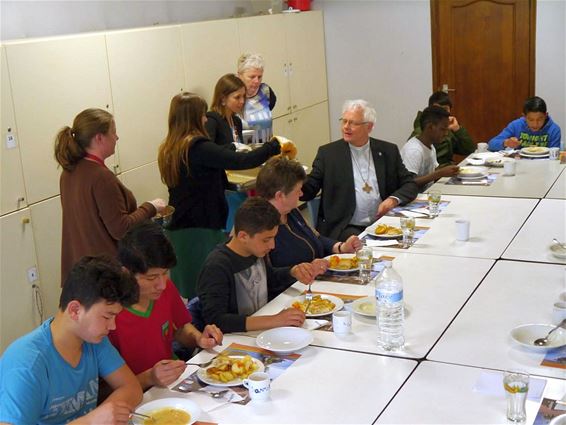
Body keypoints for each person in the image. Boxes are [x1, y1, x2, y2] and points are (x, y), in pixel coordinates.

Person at [157, 92, 281, 300]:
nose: (206, 119)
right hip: (200, 227)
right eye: (202, 115)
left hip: (180, 226)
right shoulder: (196, 146)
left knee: (190, 288)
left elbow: (214, 155)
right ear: (194, 117)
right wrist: (272, 146)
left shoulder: (171, 146)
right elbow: (242, 161)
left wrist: (229, 147)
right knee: (208, 286)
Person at [0, 256, 142, 425]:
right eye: (107, 316)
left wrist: (101, 417)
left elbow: (132, 388)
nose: (113, 326)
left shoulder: (93, 340)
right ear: (75, 310)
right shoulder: (27, 365)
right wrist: (90, 422)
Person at [54, 108, 166, 284]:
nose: (117, 137)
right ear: (99, 138)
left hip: (83, 271)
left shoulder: (68, 173)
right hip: (106, 272)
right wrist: (151, 207)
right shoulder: (101, 177)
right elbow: (121, 228)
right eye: (113, 132)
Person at [109, 221, 223, 390]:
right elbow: (108, 389)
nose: (161, 284)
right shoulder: (109, 315)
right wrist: (150, 378)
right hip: (139, 394)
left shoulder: (166, 288)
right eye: (151, 278)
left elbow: (179, 329)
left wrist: (199, 338)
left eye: (165, 273)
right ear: (126, 273)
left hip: (174, 381)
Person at [197, 197, 324, 333]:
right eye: (266, 240)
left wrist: (293, 272)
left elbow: (268, 279)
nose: (272, 245)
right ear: (243, 236)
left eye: (274, 237)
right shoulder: (217, 266)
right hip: (235, 338)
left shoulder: (254, 250)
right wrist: (275, 320)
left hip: (263, 327)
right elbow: (216, 321)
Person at [301, 99, 419, 241]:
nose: (346, 127)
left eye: (353, 123)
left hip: (383, 223)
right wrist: (293, 176)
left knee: (411, 238)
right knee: (364, 248)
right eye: (344, 121)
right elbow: (309, 189)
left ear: (369, 127)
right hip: (345, 227)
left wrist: (393, 200)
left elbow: (410, 184)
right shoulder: (328, 154)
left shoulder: (388, 151)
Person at [256, 156, 362, 268]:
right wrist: (302, 271)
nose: (301, 194)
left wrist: (341, 247)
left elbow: (315, 237)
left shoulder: (291, 212)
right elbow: (271, 278)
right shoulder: (260, 227)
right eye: (298, 190)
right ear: (280, 196)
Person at [409, 91, 475, 168]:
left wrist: (457, 129)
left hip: (445, 170)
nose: (441, 113)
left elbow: (469, 150)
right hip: (436, 174)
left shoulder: (449, 127)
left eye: (445, 109)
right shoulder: (423, 131)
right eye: (437, 109)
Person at [401, 106, 460, 190]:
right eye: (443, 129)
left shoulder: (430, 145)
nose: (446, 133)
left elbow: (433, 172)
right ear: (430, 127)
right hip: (414, 199)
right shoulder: (413, 150)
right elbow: (408, 183)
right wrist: (440, 173)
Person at [488, 96, 562, 151]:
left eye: (539, 119)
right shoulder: (516, 125)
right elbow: (491, 144)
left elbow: (554, 157)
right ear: (524, 116)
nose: (535, 124)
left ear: (546, 115)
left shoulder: (554, 130)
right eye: (531, 120)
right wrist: (506, 143)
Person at [237, 53, 277, 143]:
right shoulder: (233, 97)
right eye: (252, 77)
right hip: (245, 153)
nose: (256, 81)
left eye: (260, 77)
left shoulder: (266, 91)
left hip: (268, 149)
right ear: (239, 75)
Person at [206, 73, 246, 148]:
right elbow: (207, 153)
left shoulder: (237, 121)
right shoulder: (211, 121)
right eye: (237, 97)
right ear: (223, 99)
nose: (242, 101)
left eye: (243, 96)